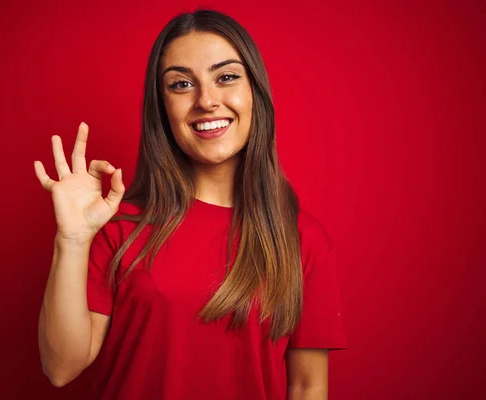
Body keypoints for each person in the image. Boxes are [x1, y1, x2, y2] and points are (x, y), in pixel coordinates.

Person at [34, 9, 346, 400]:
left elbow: (308, 386)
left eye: (227, 77)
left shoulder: (302, 239)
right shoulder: (118, 226)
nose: (207, 100)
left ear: (255, 93)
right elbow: (61, 367)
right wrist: (73, 240)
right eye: (181, 84)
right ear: (162, 108)